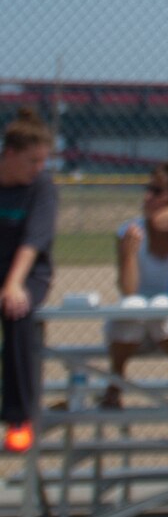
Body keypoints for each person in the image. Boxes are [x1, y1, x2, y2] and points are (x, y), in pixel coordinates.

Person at [103, 160, 168, 408]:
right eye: (148, 189)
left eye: (157, 191)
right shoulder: (132, 232)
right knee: (132, 304)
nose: (147, 197)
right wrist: (129, 255)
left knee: (161, 305)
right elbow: (128, 290)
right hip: (136, 327)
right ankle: (116, 381)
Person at [0, 107, 58, 452]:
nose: (38, 169)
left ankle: (20, 417)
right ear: (9, 154)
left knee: (17, 312)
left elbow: (33, 243)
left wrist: (12, 284)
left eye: (42, 162)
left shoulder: (42, 188)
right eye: (31, 161)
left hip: (28, 274)